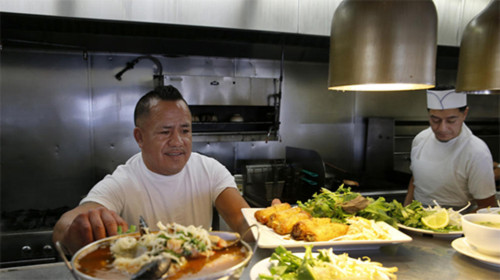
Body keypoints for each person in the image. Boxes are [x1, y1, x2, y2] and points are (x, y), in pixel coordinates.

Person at [53, 85, 252, 254]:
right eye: (165, 132)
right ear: (139, 137)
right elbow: (62, 230)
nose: (177, 141)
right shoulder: (123, 181)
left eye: (185, 131)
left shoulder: (210, 170)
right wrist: (81, 227)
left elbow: (242, 221)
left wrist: (269, 220)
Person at [403, 89, 497, 212]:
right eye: (435, 120)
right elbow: (415, 179)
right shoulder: (420, 139)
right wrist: (406, 210)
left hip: (458, 222)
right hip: (417, 219)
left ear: (465, 114)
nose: (442, 128)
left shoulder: (476, 151)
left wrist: (454, 225)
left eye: (451, 120)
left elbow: (488, 206)